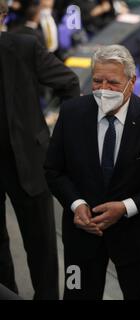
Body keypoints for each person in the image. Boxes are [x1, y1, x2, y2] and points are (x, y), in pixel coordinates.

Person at [44, 44, 140, 300]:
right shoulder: (72, 112)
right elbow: (53, 170)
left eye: (113, 82)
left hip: (137, 237)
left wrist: (126, 207)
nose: (104, 89)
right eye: (97, 81)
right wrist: (76, 204)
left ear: (132, 81)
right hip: (83, 234)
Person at [0, 0, 80, 299]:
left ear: (4, 16)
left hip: (29, 160)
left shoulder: (23, 46)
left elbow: (69, 83)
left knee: (41, 243)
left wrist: (58, 133)